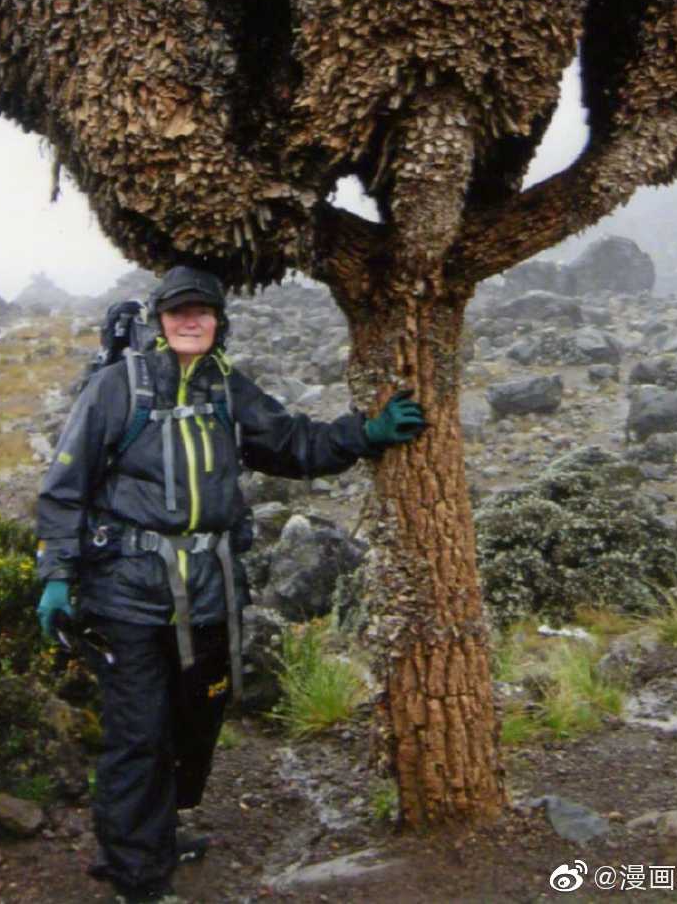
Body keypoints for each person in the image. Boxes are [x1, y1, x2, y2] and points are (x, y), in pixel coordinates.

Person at [35, 264, 425, 904]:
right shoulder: (116, 389)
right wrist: (56, 575)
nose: (191, 321)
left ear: (219, 323)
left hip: (211, 593)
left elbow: (295, 443)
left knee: (197, 720)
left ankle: (155, 830)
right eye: (178, 311)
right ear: (159, 320)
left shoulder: (225, 389)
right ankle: (136, 875)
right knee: (139, 733)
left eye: (203, 311)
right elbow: (64, 488)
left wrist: (367, 433)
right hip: (128, 595)